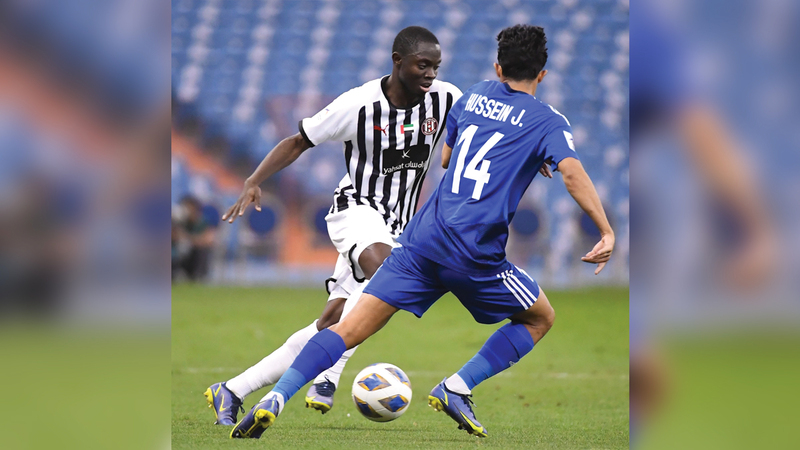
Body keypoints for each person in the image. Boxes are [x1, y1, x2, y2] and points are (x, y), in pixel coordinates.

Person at [229, 24, 615, 439]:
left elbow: (448, 158)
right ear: (543, 74)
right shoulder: (548, 121)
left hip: (421, 239)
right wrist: (605, 230)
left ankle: (277, 396)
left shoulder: (474, 96)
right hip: (472, 251)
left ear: (498, 67)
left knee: (345, 326)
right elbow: (572, 174)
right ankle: (457, 386)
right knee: (540, 317)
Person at [204, 26, 463, 426]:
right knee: (389, 276)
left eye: (436, 67)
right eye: (422, 65)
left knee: (333, 323)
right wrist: (254, 180)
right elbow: (298, 141)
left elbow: (483, 129)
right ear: (398, 61)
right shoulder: (358, 104)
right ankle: (329, 374)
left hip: (399, 226)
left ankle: (233, 389)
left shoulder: (445, 99)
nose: (430, 74)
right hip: (355, 209)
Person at [172, 195, 215, 281]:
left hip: (194, 256)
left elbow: (208, 240)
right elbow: (175, 237)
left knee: (202, 251)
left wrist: (189, 238)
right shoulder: (179, 222)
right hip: (179, 256)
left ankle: (197, 276)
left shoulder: (202, 222)